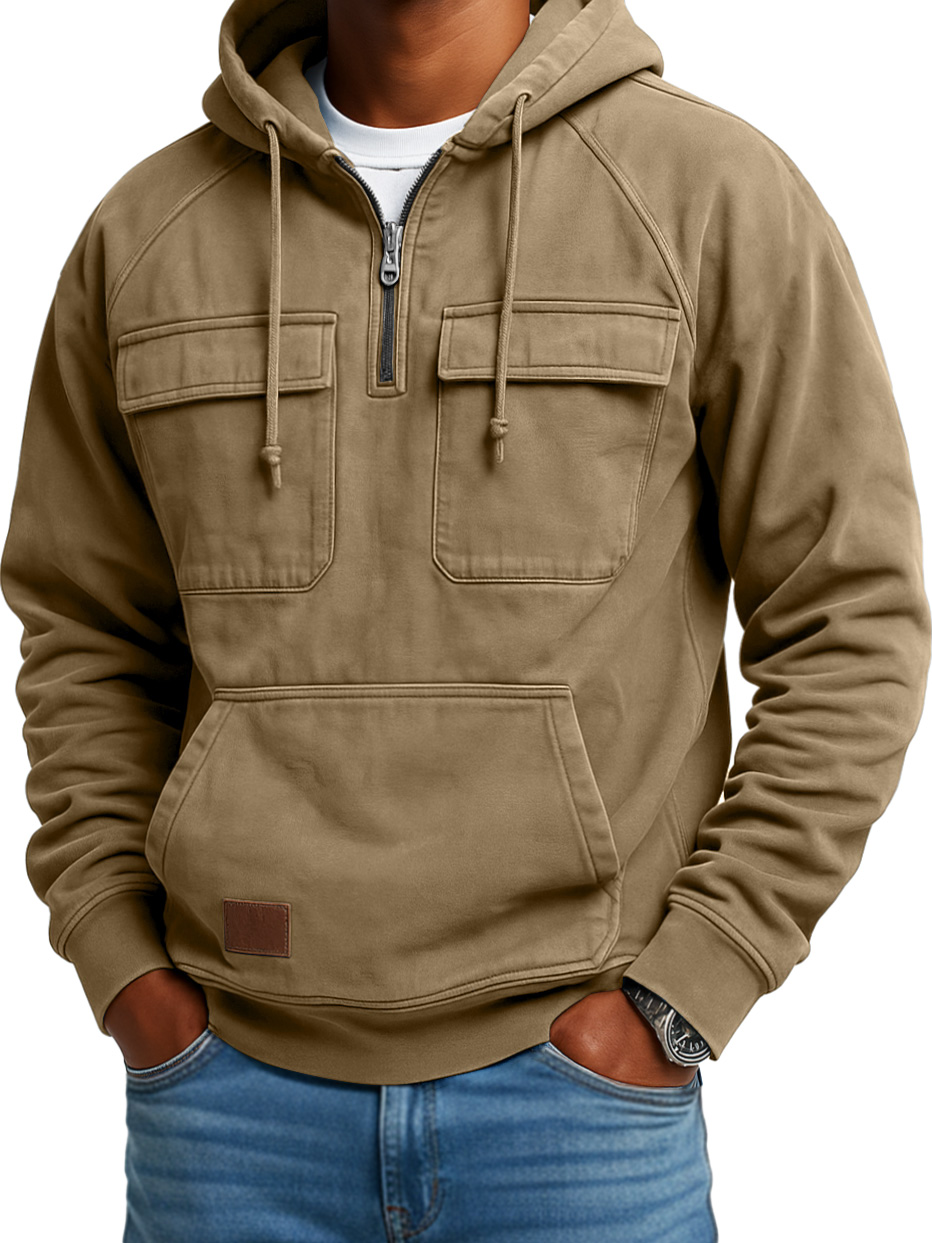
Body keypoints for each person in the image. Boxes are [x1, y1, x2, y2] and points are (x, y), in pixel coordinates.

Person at [2, 0, 929, 1239]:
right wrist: (120, 962)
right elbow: (84, 626)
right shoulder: (146, 230)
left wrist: (690, 983)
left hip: (580, 1107)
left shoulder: (710, 192)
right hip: (229, 1107)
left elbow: (850, 615)